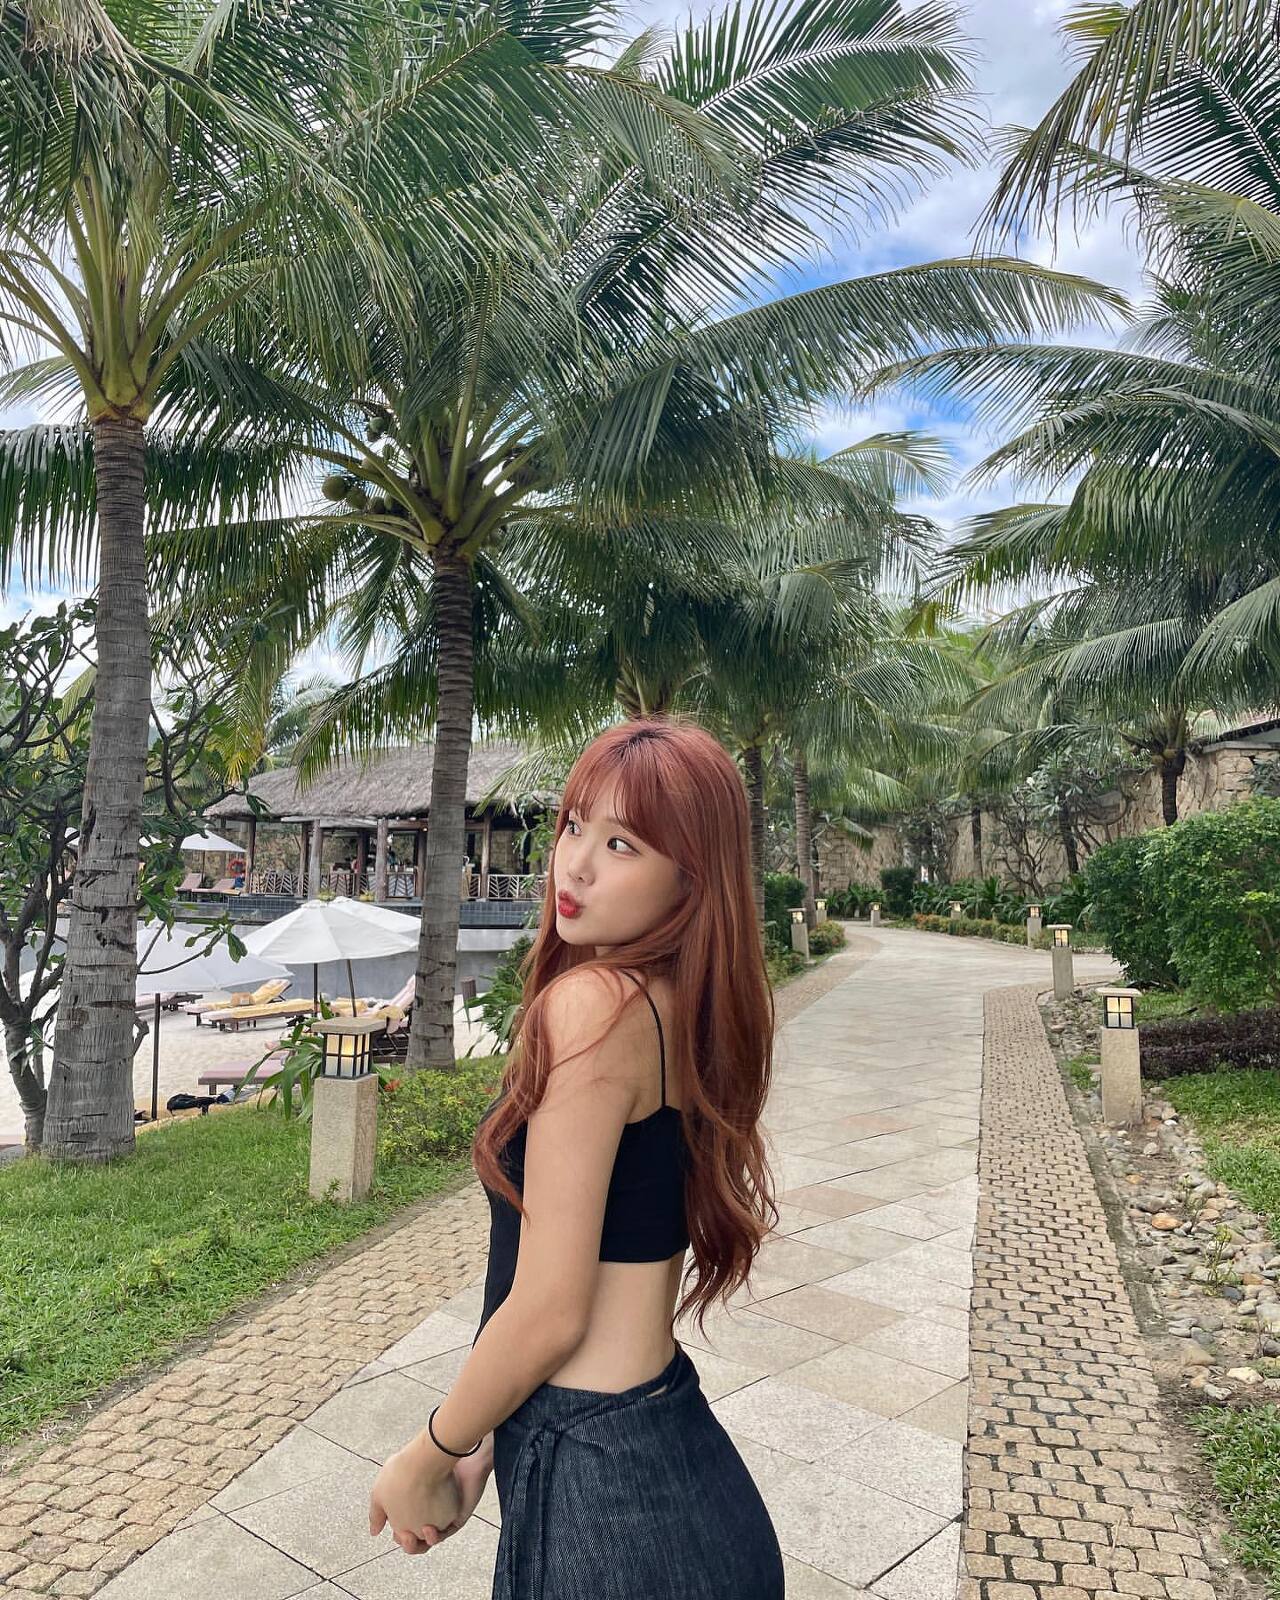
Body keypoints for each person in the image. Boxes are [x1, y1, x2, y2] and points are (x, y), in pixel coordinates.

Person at [367, 715, 785, 1598]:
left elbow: (552, 1307)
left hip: (597, 1491)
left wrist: (428, 1452)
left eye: (622, 843)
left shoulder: (591, 1006)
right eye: (572, 826)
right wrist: (486, 1444)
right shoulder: (682, 1006)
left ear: (692, 879)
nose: (575, 865)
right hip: (682, 1461)